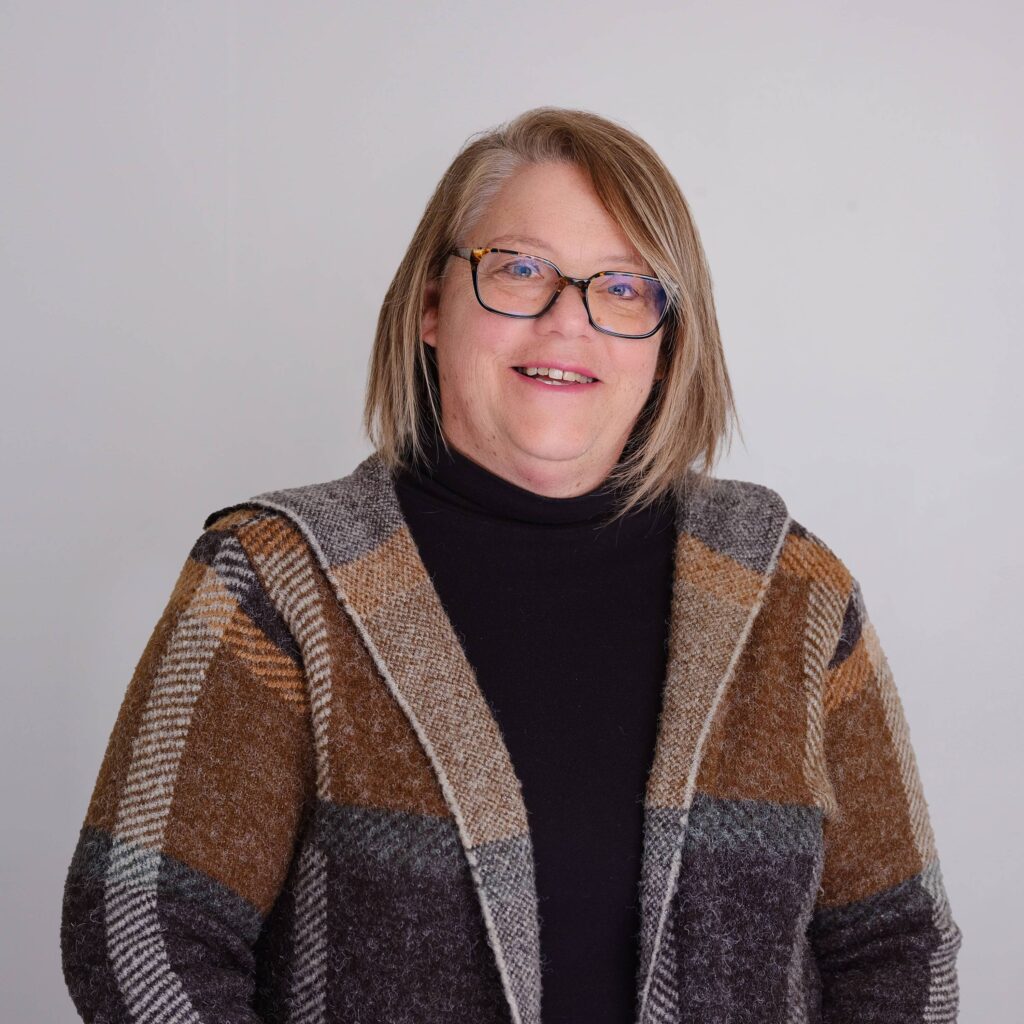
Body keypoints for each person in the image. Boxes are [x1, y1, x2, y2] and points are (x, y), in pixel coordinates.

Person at [60, 106, 962, 1024]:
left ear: (667, 342)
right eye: (520, 269)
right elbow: (140, 929)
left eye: (622, 288)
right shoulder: (278, 580)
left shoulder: (791, 593)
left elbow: (898, 946)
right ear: (430, 305)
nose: (567, 321)